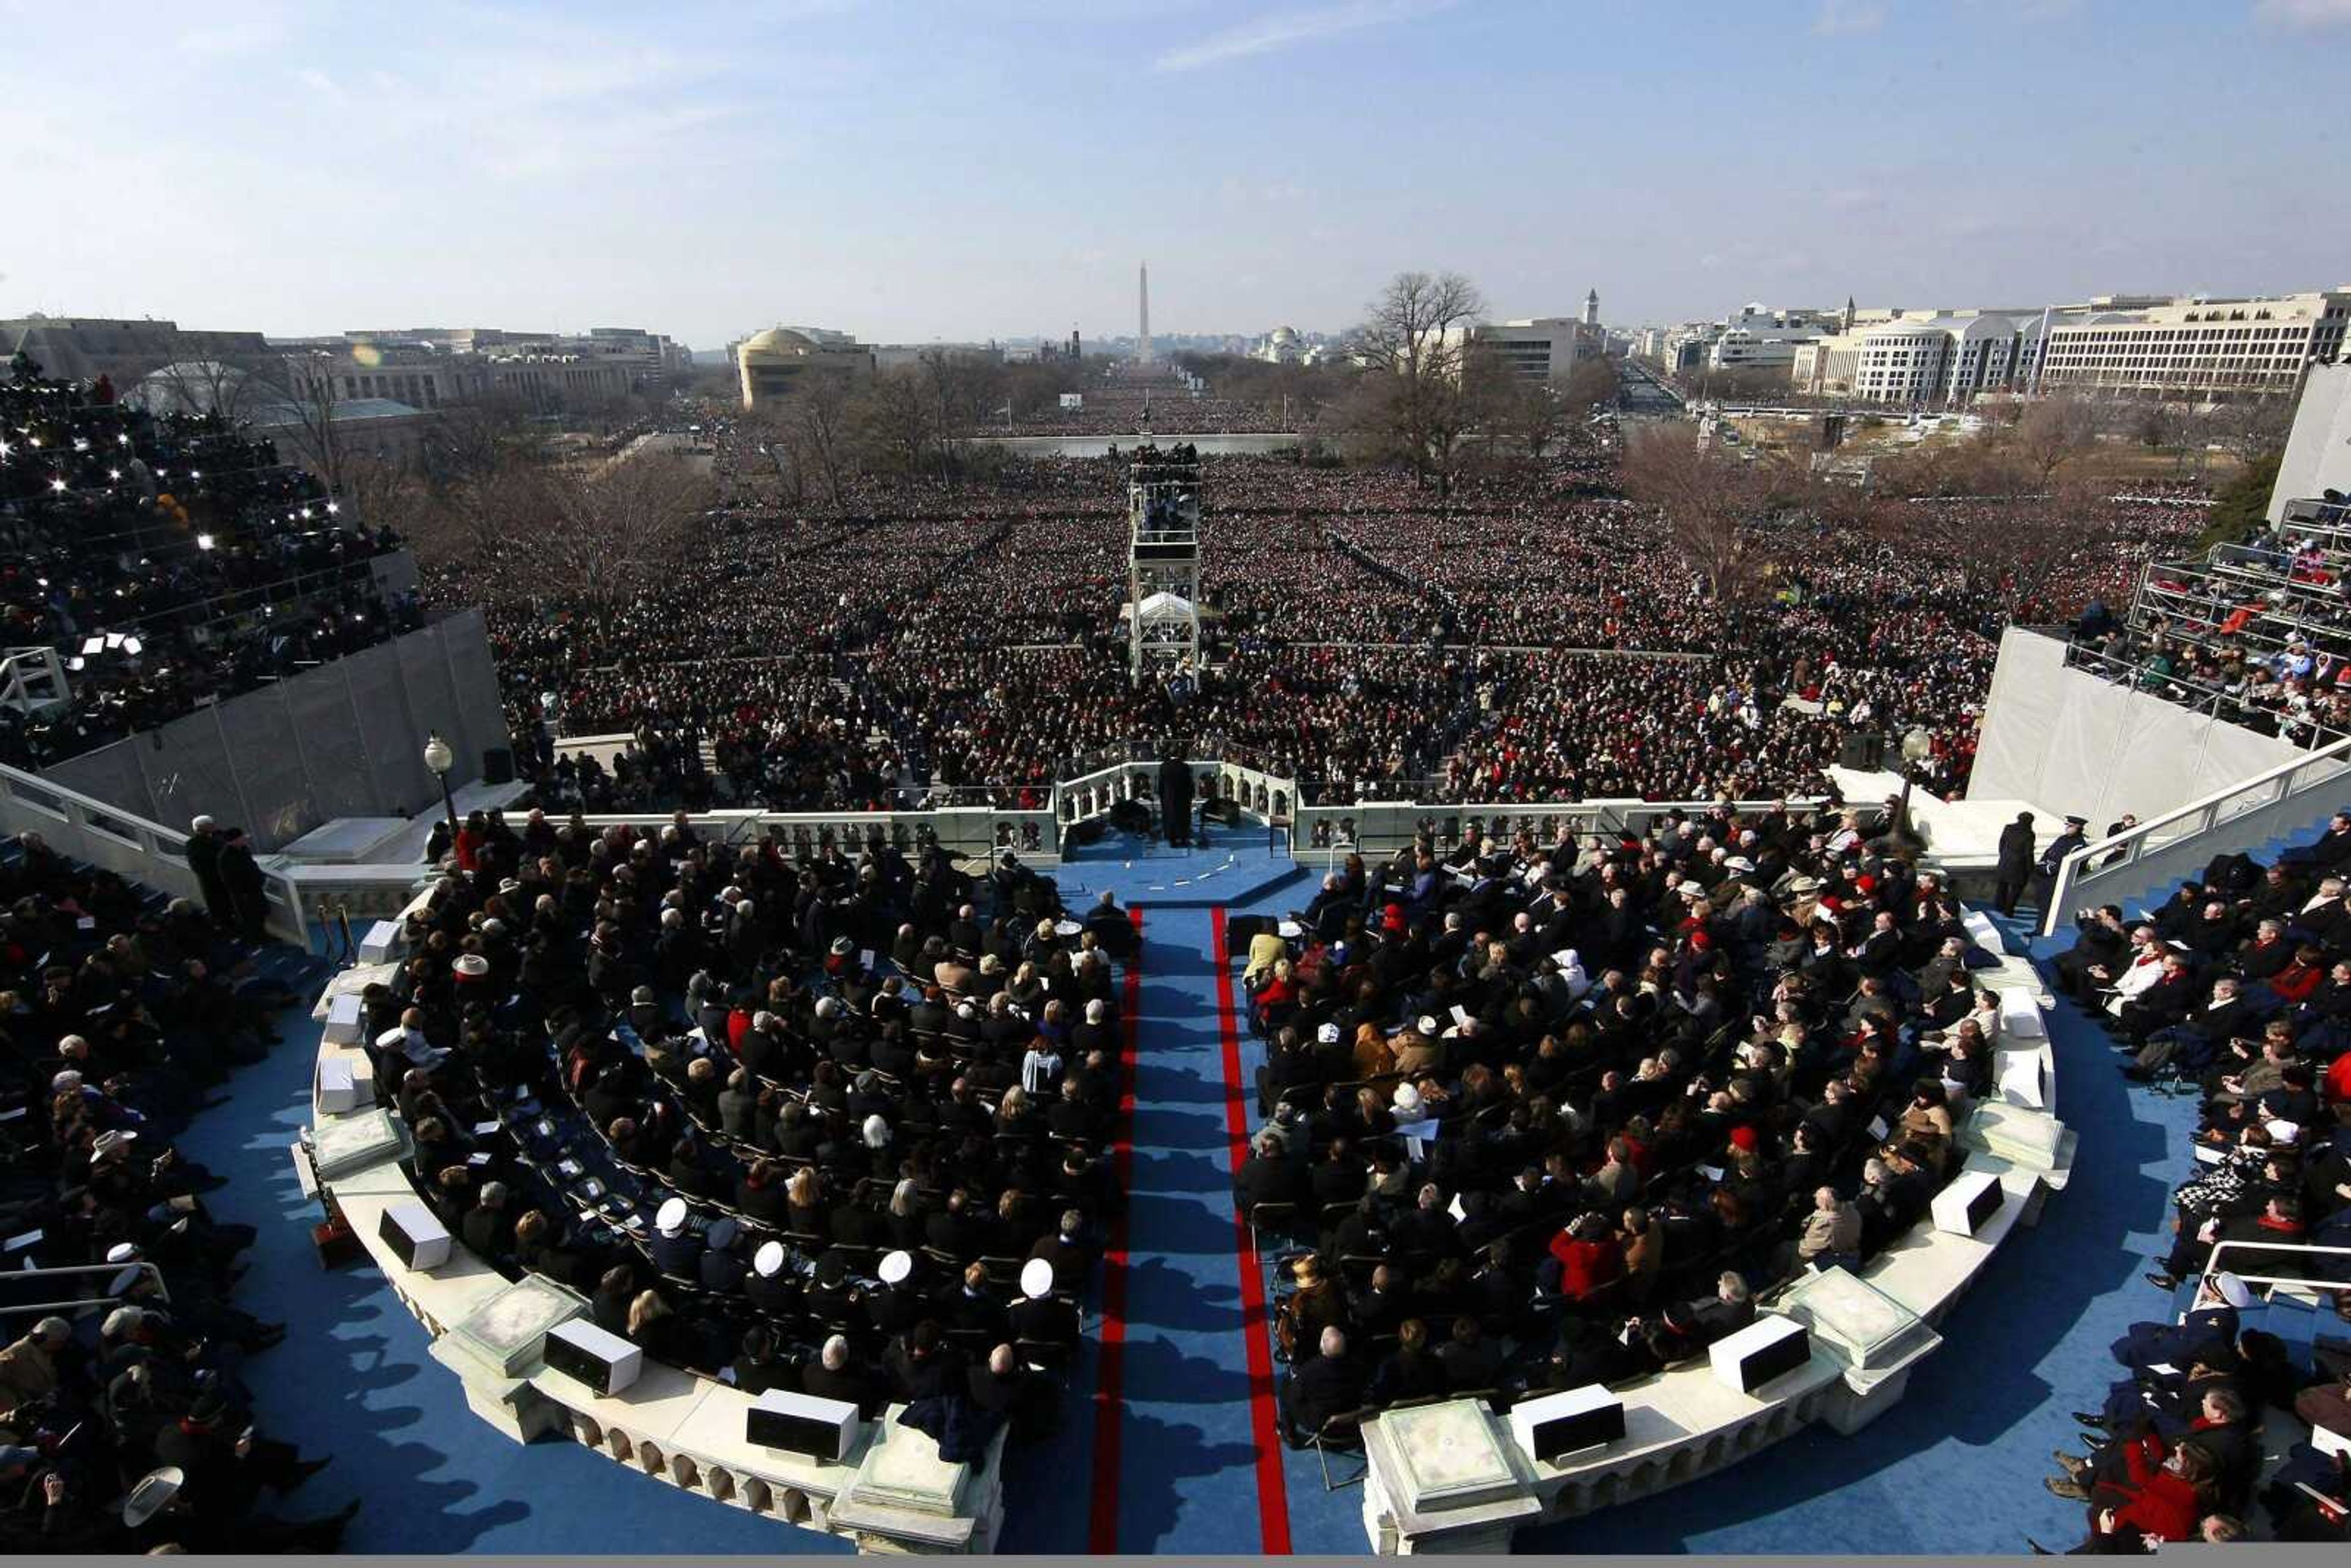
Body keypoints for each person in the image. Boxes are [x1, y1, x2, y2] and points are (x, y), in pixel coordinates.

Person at [1995, 811, 2036, 917]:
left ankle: (1999, 906)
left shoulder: (2008, 828)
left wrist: (2004, 856)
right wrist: (2030, 869)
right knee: (2016, 890)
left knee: (2002, 886)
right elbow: (2029, 854)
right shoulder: (2029, 834)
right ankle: (2008, 911)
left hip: (2005, 861)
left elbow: (2002, 843)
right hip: (2019, 866)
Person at [1158, 746, 1195, 849]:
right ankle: (1183, 839)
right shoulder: (1185, 767)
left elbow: (1161, 785)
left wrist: (1162, 796)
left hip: (1168, 797)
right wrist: (1191, 795)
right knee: (1183, 817)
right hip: (1183, 798)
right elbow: (1190, 784)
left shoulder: (1164, 766)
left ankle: (1172, 840)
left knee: (1170, 817)